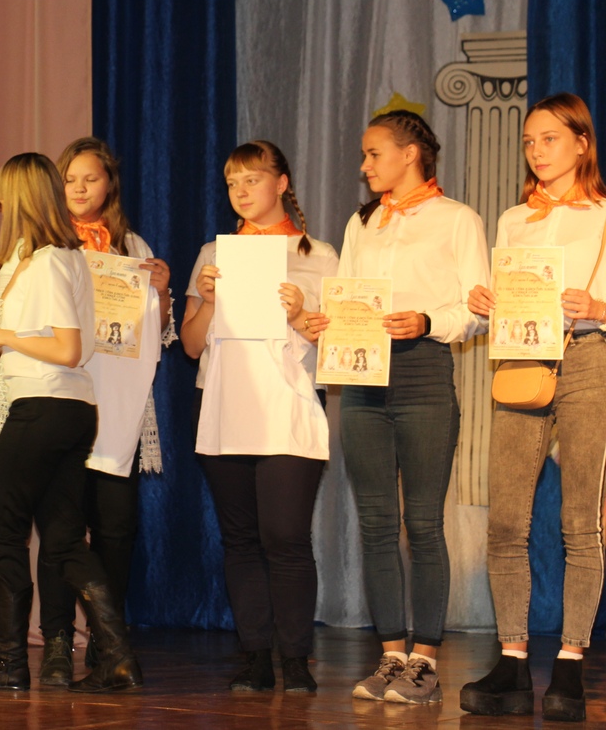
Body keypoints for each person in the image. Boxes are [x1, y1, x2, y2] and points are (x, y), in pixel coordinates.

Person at [0, 153, 142, 694]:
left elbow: (69, 348)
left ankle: (9, 661)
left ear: (21, 199)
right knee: (63, 539)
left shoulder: (50, 262)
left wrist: (2, 337)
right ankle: (118, 656)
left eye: (4, 196)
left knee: (3, 532)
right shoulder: (49, 259)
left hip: (44, 407)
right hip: (66, 409)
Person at [315, 110, 488, 704]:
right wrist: (325, 321)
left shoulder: (458, 219)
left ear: (410, 153)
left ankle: (426, 662)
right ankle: (391, 655)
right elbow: (348, 298)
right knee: (376, 523)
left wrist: (427, 320)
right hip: (363, 378)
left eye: (374, 154)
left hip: (423, 373)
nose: (365, 166)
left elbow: (477, 308)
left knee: (424, 523)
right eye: (364, 155)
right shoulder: (362, 222)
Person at [460, 93, 605, 722]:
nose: (537, 151)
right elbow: (512, 297)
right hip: (523, 360)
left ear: (581, 143)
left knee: (580, 521)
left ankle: (571, 663)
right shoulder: (514, 220)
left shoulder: (603, 215)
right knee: (505, 521)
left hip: (590, 359)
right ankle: (513, 661)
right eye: (529, 141)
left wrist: (598, 309)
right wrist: (486, 303)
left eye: (549, 138)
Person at [179, 140, 337, 692]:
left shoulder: (320, 255)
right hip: (224, 402)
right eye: (232, 182)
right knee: (241, 537)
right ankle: (254, 657)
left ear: (282, 183)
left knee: (286, 535)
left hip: (287, 403)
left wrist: (299, 314)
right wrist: (209, 300)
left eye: (252, 179)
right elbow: (191, 346)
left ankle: (294, 658)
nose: (241, 192)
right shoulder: (213, 252)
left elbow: (337, 341)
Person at [33, 137, 175, 686]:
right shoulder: (44, 240)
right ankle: (56, 641)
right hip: (62, 397)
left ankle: (107, 642)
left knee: (116, 527)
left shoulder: (131, 245)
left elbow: (156, 334)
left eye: (90, 178)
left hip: (117, 405)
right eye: (70, 179)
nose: (79, 188)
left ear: (109, 185)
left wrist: (161, 293)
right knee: (60, 528)